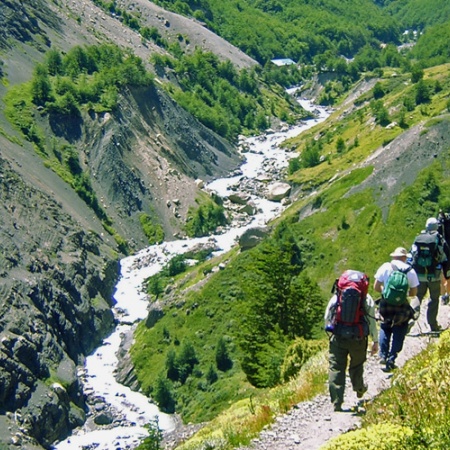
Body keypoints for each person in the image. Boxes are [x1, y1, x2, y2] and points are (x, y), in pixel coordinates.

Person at [324, 270, 378, 412]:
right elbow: (372, 321)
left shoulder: (338, 297)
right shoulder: (366, 299)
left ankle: (337, 401)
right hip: (358, 338)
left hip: (339, 336)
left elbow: (327, 315)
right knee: (357, 364)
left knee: (336, 367)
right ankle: (359, 388)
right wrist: (375, 341)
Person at [374, 247, 419, 372]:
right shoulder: (410, 271)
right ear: (405, 258)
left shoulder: (385, 267)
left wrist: (387, 292)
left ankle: (383, 355)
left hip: (386, 303)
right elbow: (414, 292)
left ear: (394, 257)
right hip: (401, 306)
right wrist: (401, 295)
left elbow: (376, 287)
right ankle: (392, 358)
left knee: (385, 326)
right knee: (400, 328)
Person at [410, 217, 448, 331]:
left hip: (419, 275)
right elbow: (444, 256)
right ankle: (433, 325)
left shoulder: (418, 238)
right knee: (434, 299)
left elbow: (412, 254)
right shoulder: (439, 239)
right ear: (436, 227)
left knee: (418, 296)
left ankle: (410, 319)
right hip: (434, 275)